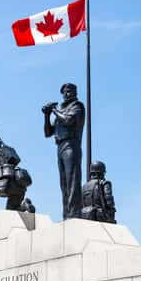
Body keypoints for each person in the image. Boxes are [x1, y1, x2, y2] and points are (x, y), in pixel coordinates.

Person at [42, 83, 85, 219]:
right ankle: (67, 214)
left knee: (72, 179)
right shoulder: (61, 110)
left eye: (69, 91)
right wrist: (47, 115)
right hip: (60, 146)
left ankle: (74, 214)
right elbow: (48, 132)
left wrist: (54, 110)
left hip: (71, 144)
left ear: (74, 92)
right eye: (64, 92)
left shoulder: (77, 106)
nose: (66, 94)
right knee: (64, 183)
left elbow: (68, 120)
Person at [0, 139, 33, 213]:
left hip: (6, 186)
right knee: (11, 211)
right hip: (20, 189)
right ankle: (24, 205)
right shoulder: (7, 155)